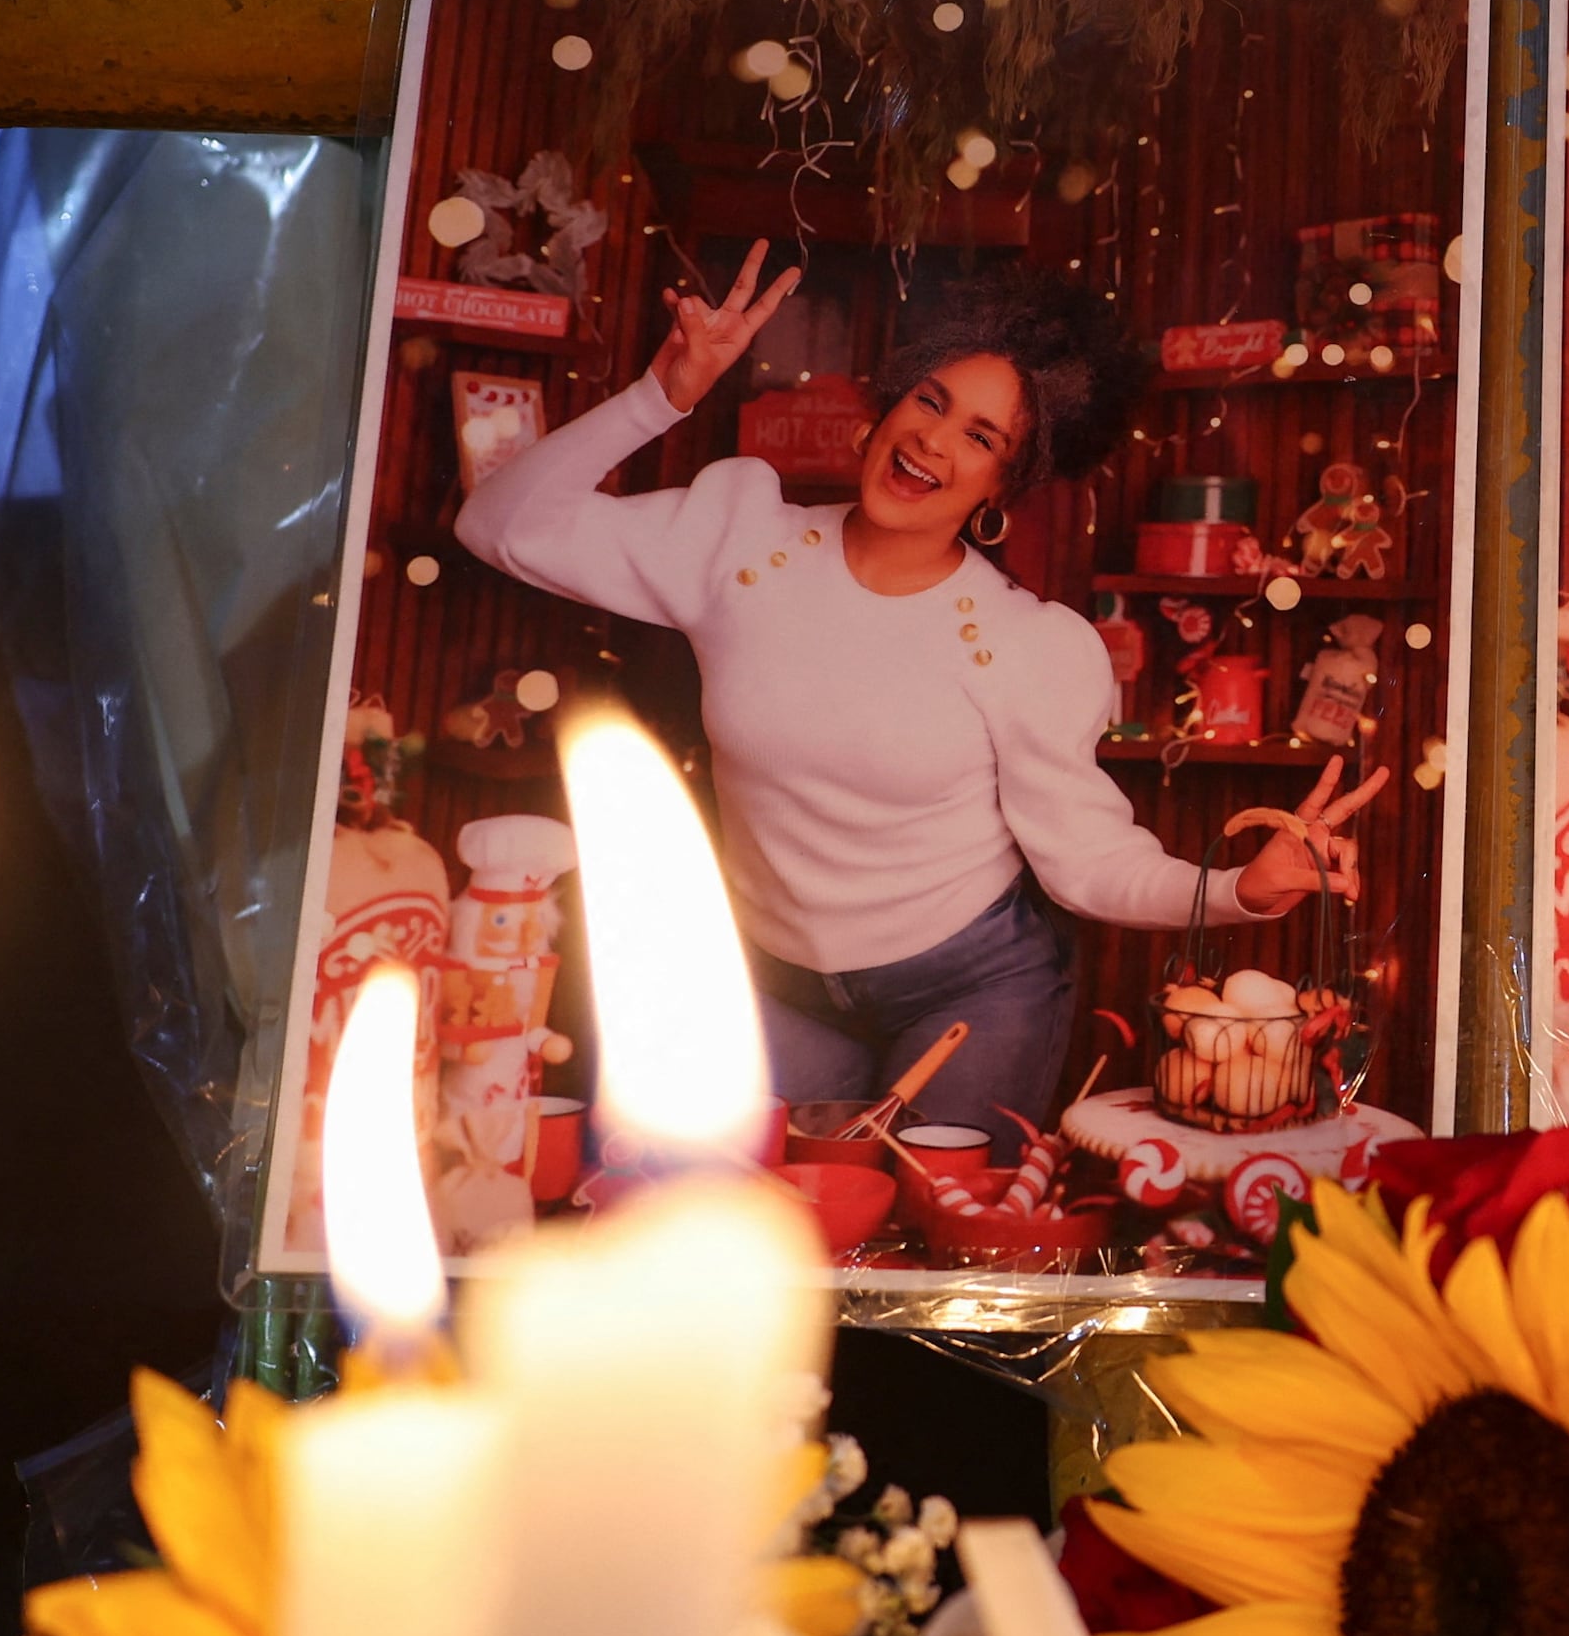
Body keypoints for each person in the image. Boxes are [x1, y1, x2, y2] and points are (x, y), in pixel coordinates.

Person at [458, 243, 1378, 1154]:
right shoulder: (738, 543)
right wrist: (666, 391)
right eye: (928, 401)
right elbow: (498, 524)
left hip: (972, 993)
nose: (935, 440)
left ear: (1002, 486)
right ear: (888, 407)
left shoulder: (1026, 645)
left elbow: (1087, 862)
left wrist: (1236, 893)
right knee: (753, 1229)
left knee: (938, 1250)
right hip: (770, 981)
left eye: (981, 437)